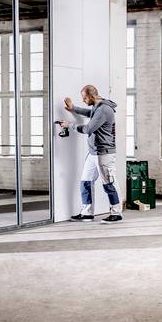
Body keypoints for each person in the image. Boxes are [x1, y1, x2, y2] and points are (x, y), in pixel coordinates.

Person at [64, 84, 122, 224]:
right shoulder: (98, 107)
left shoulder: (103, 109)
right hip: (93, 152)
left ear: (92, 96)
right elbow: (90, 113)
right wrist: (74, 108)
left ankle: (116, 213)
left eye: (84, 98)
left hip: (104, 153)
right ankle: (87, 213)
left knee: (109, 183)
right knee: (86, 181)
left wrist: (69, 125)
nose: (83, 100)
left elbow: (88, 128)